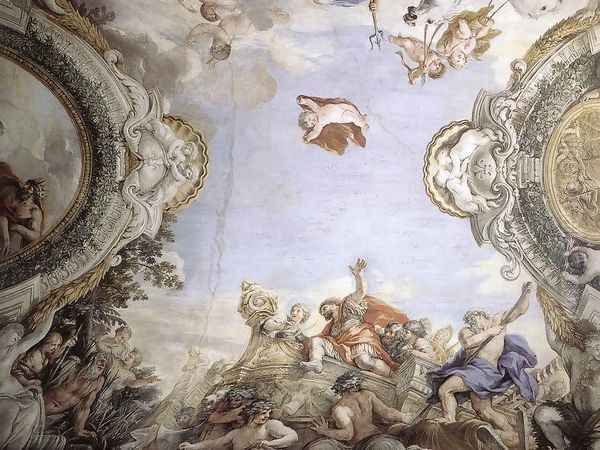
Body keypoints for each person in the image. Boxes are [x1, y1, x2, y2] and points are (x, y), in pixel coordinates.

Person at [428, 282, 538, 447]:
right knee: (483, 410)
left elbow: (518, 310)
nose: (473, 323)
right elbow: (468, 342)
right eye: (470, 321)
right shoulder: (468, 331)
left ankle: (449, 420)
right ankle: (512, 433)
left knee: (445, 390)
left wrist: (526, 294)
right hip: (475, 371)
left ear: (482, 315)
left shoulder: (498, 321)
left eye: (474, 319)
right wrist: (487, 332)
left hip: (485, 372)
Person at [300, 258, 404, 377]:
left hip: (360, 338)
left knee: (363, 361)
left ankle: (393, 377)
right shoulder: (331, 327)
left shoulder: (347, 305)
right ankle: (316, 362)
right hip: (344, 348)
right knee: (316, 340)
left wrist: (359, 275)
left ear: (334, 304)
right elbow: (320, 338)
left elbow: (361, 292)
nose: (323, 312)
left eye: (324, 308)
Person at [533, 288, 600, 450]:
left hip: (597, 422)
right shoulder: (574, 355)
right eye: (596, 345)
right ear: (586, 343)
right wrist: (548, 311)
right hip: (575, 416)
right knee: (542, 414)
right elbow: (553, 341)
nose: (599, 349)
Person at [0, 309, 66, 450]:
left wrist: (52, 309)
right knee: (12, 409)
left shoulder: (14, 350)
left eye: (19, 337)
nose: (17, 338)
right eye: (14, 334)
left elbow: (39, 334)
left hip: (13, 391)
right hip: (7, 392)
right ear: (3, 331)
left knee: (33, 408)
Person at [308, 370, 409, 449]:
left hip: (366, 443)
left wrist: (325, 431)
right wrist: (405, 417)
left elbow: (348, 435)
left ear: (340, 388)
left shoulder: (340, 408)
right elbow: (387, 413)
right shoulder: (368, 395)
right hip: (381, 437)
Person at [179, 400, 298, 449]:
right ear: (252, 413)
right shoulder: (236, 433)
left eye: (268, 412)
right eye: (263, 413)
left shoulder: (270, 425)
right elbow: (214, 443)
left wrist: (270, 443)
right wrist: (193, 447)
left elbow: (293, 436)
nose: (267, 416)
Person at [44, 351, 110, 439]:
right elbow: (50, 373)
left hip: (56, 415)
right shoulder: (74, 366)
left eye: (105, 364)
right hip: (42, 405)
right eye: (100, 360)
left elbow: (84, 407)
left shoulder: (97, 382)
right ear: (92, 360)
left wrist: (79, 429)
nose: (102, 364)